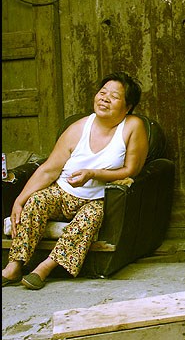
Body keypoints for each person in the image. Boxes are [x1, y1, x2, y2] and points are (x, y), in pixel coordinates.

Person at [2, 71, 148, 289]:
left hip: (96, 200)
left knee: (91, 217)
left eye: (115, 96)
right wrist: (20, 200)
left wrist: (93, 173)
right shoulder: (78, 127)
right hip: (62, 193)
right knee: (36, 201)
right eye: (102, 92)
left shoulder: (132, 126)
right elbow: (49, 170)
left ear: (127, 107)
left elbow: (132, 170)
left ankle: (44, 268)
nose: (105, 98)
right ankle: (14, 266)